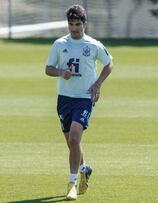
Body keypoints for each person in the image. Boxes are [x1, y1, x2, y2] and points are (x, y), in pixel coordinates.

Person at [45, 4, 113, 201]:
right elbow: (48, 69)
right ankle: (84, 169)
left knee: (75, 138)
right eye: (71, 24)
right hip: (64, 98)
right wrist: (60, 73)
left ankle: (72, 183)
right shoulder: (59, 44)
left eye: (78, 24)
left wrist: (97, 85)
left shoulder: (93, 45)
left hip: (84, 97)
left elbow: (109, 63)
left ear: (84, 23)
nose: (74, 28)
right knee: (71, 143)